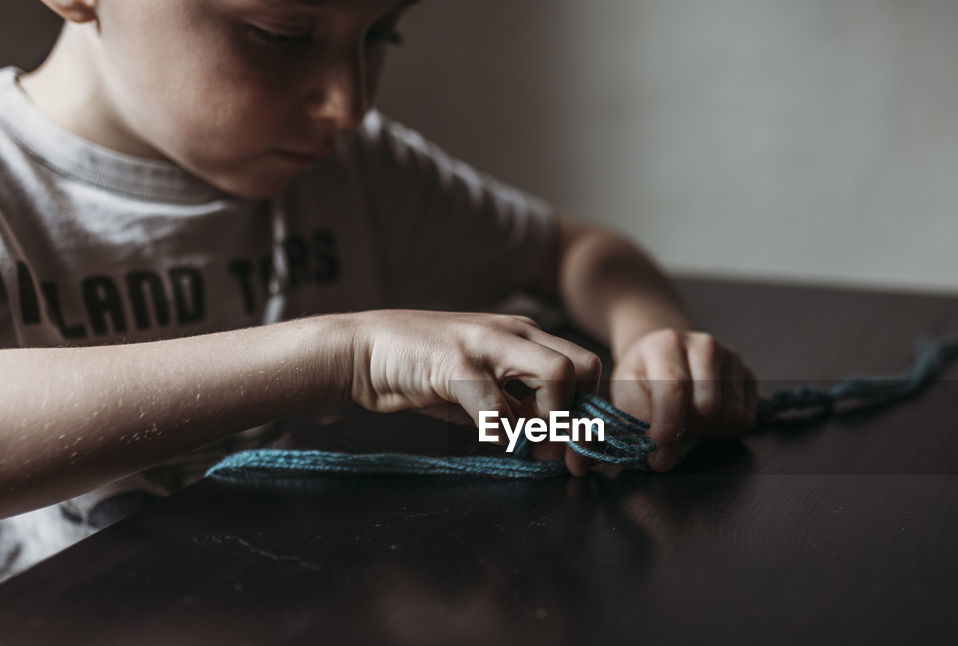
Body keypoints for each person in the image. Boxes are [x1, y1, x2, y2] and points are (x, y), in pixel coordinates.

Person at [0, 0, 758, 577]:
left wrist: (650, 338)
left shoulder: (359, 173)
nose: (349, 102)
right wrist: (344, 352)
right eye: (283, 33)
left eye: (380, 34)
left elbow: (576, 251)